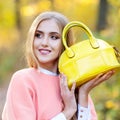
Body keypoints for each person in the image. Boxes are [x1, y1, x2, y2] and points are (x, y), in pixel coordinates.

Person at [2, 11, 114, 120]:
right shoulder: (23, 79)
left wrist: (83, 93)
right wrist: (68, 112)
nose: (44, 42)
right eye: (38, 35)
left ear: (65, 43)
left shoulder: (73, 82)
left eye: (54, 37)